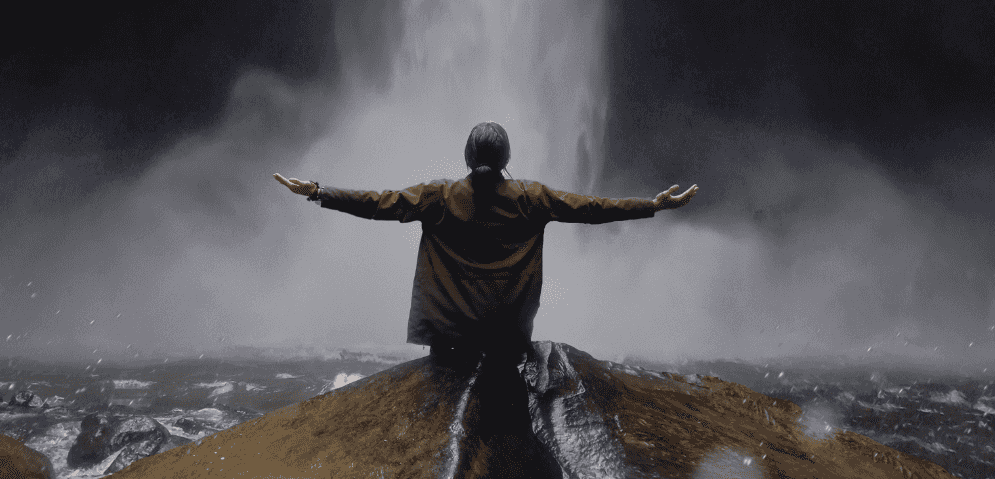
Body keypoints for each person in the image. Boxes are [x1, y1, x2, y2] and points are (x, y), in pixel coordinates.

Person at [273, 121, 697, 474]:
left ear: (466, 156)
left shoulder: (438, 197)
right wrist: (652, 205)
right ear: (506, 158)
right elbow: (590, 208)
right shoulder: (531, 198)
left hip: (451, 340)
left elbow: (379, 204)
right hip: (506, 342)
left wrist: (318, 191)